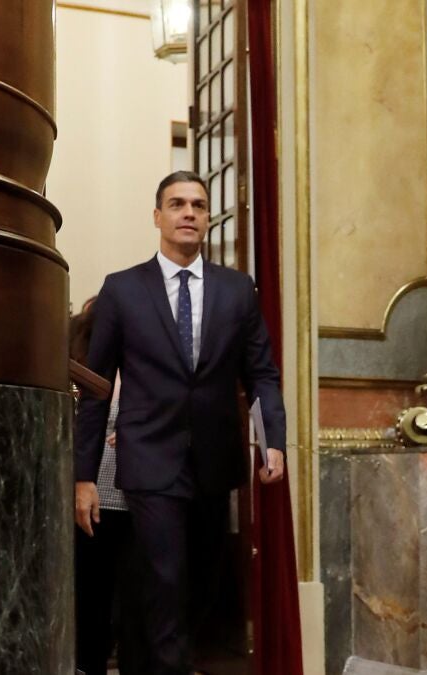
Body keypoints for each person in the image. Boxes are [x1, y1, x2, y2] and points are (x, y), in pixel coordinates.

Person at [74, 171, 286, 675]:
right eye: (177, 204)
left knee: (199, 588)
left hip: (215, 463)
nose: (188, 212)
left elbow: (261, 373)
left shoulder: (238, 290)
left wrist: (272, 441)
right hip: (148, 460)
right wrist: (84, 476)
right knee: (165, 582)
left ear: (207, 218)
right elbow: (97, 388)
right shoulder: (123, 290)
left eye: (198, 205)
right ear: (158, 217)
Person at [71, 298, 138, 674]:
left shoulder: (141, 371)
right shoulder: (84, 371)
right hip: (92, 501)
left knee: (131, 606)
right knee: (91, 600)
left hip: (137, 502)